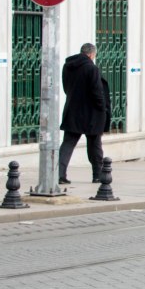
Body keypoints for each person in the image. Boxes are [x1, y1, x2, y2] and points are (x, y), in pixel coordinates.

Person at [58, 42, 109, 185]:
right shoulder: (91, 68)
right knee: (94, 145)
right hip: (92, 113)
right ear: (92, 54)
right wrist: (102, 108)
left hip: (73, 111)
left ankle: (60, 175)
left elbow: (66, 87)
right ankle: (97, 175)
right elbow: (97, 92)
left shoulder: (68, 67)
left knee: (68, 144)